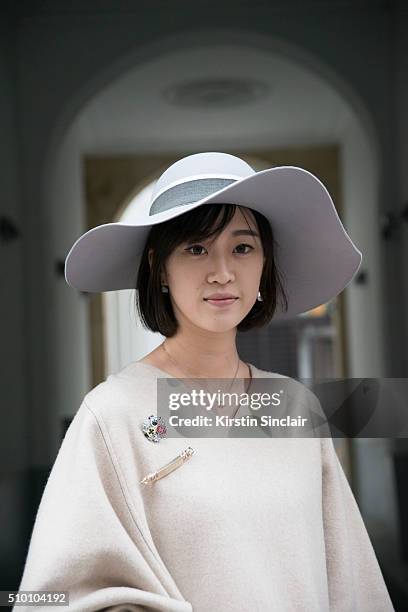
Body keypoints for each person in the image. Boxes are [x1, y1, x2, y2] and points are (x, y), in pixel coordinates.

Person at [15, 152, 395, 611]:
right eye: (196, 248)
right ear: (159, 266)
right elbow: (57, 593)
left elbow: (349, 579)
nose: (222, 272)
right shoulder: (114, 413)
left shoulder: (294, 406)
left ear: (265, 265)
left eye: (242, 247)